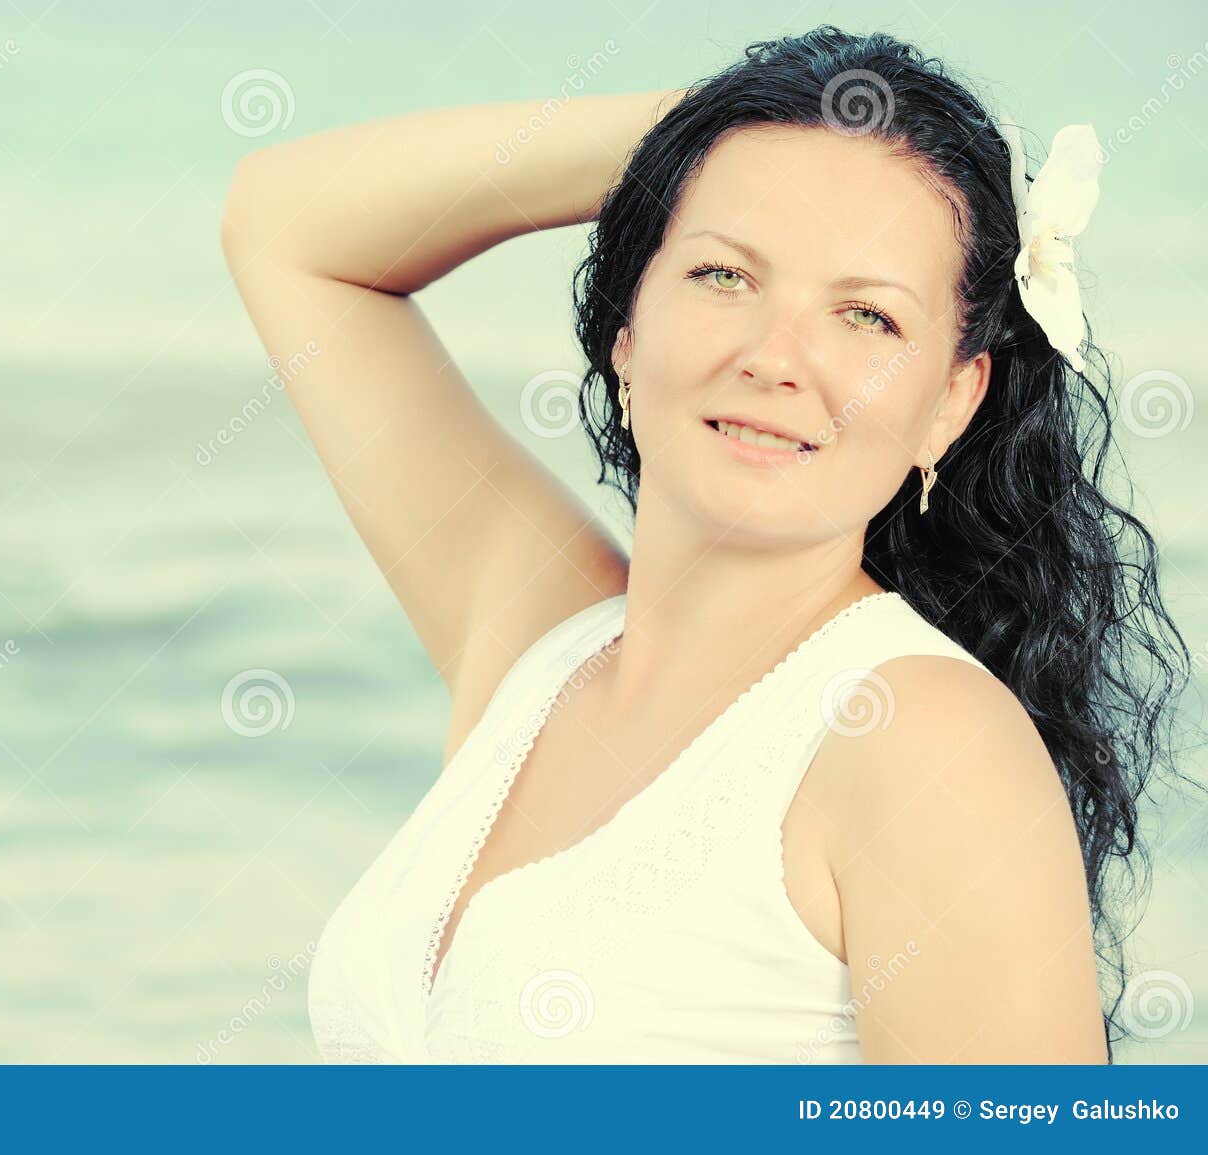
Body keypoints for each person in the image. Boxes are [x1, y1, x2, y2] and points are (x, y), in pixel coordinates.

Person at [219, 26, 1192, 1063]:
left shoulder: (920, 745)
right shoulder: (534, 644)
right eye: (724, 276)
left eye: (865, 315)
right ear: (624, 332)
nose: (777, 357)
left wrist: (808, 143)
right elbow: (287, 224)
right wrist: (738, 128)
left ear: (951, 403)